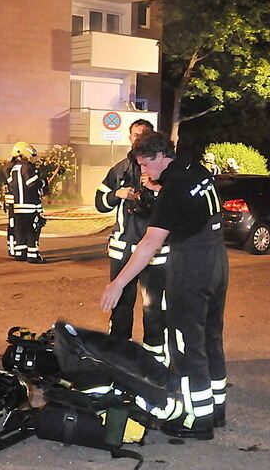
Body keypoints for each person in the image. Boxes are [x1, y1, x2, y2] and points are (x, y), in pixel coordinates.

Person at [99, 131, 228, 440]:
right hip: (217, 263)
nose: (143, 171)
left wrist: (118, 283)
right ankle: (216, 408)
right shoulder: (195, 170)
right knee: (210, 337)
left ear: (159, 157)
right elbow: (188, 202)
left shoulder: (174, 191)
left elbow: (149, 244)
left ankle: (198, 420)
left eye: (145, 164)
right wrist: (159, 186)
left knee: (185, 346)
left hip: (190, 268)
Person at [94, 119, 168, 361]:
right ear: (129, 137)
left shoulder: (161, 169)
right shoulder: (120, 169)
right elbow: (100, 202)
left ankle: (153, 360)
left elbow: (175, 205)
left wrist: (156, 190)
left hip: (155, 253)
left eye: (143, 135)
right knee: (121, 307)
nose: (138, 139)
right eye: (135, 135)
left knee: (154, 308)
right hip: (123, 250)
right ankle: (118, 357)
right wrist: (118, 194)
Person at [5, 142, 47, 263]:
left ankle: (20, 253)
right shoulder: (28, 168)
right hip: (30, 205)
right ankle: (33, 255)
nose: (32, 158)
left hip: (18, 206)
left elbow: (13, 185)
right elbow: (32, 184)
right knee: (32, 230)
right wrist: (43, 183)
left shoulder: (14, 168)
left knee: (20, 229)